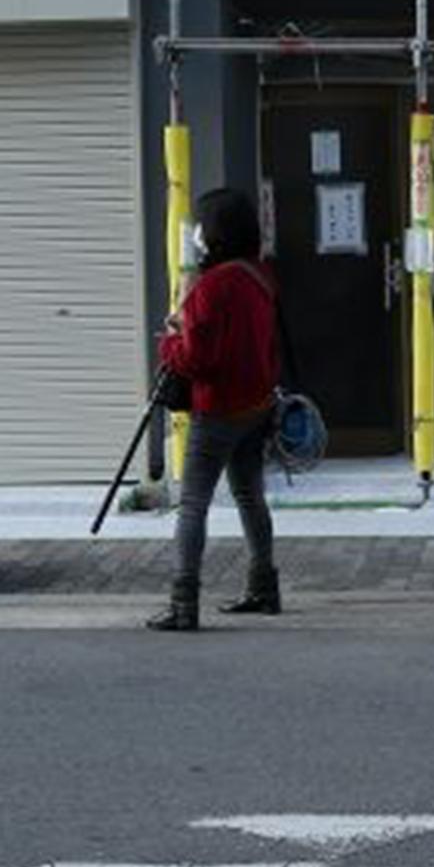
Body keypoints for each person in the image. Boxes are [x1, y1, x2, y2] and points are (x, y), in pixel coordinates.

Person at [148, 187, 283, 632]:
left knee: (193, 505)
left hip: (218, 410)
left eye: (203, 228)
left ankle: (183, 603)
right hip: (257, 405)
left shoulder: (211, 287)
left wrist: (170, 340)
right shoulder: (259, 276)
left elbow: (196, 360)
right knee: (250, 496)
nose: (199, 237)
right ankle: (264, 587)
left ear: (216, 233)